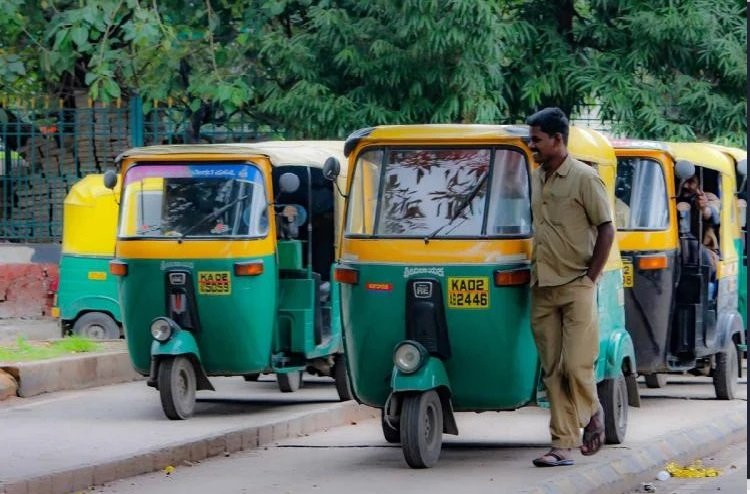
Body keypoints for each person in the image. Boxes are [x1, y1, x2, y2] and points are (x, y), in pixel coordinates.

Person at [525, 108, 615, 467]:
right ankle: (562, 444)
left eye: (537, 140)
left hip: (577, 284)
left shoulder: (583, 178)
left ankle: (593, 413)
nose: (532, 145)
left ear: (557, 140)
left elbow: (607, 228)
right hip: (542, 286)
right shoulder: (536, 177)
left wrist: (590, 277)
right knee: (552, 370)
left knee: (576, 366)